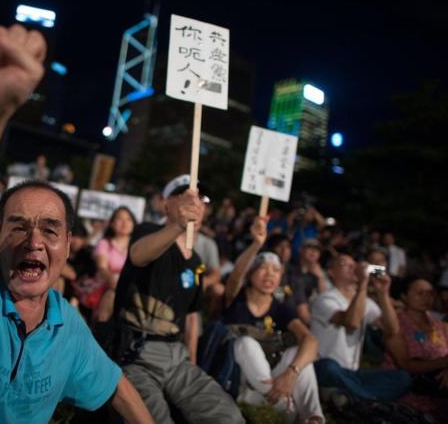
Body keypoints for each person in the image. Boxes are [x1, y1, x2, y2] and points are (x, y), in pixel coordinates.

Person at [0, 24, 152, 424]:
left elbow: (115, 386)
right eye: (18, 227)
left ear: (68, 245)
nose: (33, 241)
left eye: (50, 229)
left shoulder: (65, 325)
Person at [113, 174, 245, 424]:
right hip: (136, 354)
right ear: (166, 204)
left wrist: (192, 363)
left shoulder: (196, 261)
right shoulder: (147, 231)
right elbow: (138, 255)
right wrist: (177, 226)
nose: (195, 201)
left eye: (201, 197)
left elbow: (192, 318)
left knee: (228, 416)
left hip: (177, 358)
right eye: (185, 195)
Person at [222, 216, 324, 424]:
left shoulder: (281, 308)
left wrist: (291, 373)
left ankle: (313, 417)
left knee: (298, 353)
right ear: (251, 274)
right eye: (263, 268)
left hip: (271, 380)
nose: (270, 274)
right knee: (246, 342)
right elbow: (235, 276)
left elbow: (311, 341)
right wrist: (256, 244)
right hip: (240, 382)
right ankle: (287, 407)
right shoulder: (237, 300)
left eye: (276, 270)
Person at [310, 252, 411, 402]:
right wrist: (363, 285)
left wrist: (383, 294)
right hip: (327, 368)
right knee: (328, 366)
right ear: (331, 272)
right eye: (346, 264)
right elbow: (352, 322)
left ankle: (353, 397)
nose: (353, 268)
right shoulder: (325, 299)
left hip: (353, 374)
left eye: (354, 265)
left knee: (403, 378)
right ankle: (366, 401)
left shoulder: (365, 302)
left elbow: (392, 329)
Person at [383, 277, 448, 417]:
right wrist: (443, 362)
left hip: (440, 399)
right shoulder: (395, 324)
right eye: (420, 293)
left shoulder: (441, 326)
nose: (426, 298)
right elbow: (404, 364)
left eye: (430, 293)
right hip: (408, 397)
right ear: (404, 296)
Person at [93, 206, 135, 322]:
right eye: (120, 219)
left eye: (128, 219)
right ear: (112, 223)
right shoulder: (105, 243)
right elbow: (102, 269)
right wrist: (115, 282)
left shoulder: (138, 246)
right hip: (107, 286)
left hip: (131, 287)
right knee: (111, 294)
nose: (124, 223)